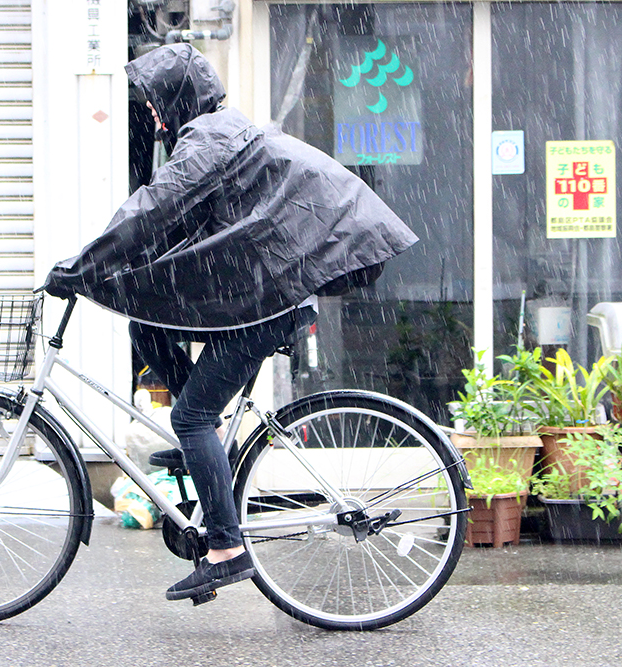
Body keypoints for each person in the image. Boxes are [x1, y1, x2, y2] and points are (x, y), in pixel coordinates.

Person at [42, 43, 418, 602]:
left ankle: (225, 548)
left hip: (270, 301)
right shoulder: (213, 134)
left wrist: (83, 266)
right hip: (262, 292)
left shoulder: (208, 141)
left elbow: (154, 209)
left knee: (191, 416)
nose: (151, 114)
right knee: (146, 326)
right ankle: (210, 442)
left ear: (176, 96)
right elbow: (174, 227)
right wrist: (113, 272)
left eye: (153, 102)